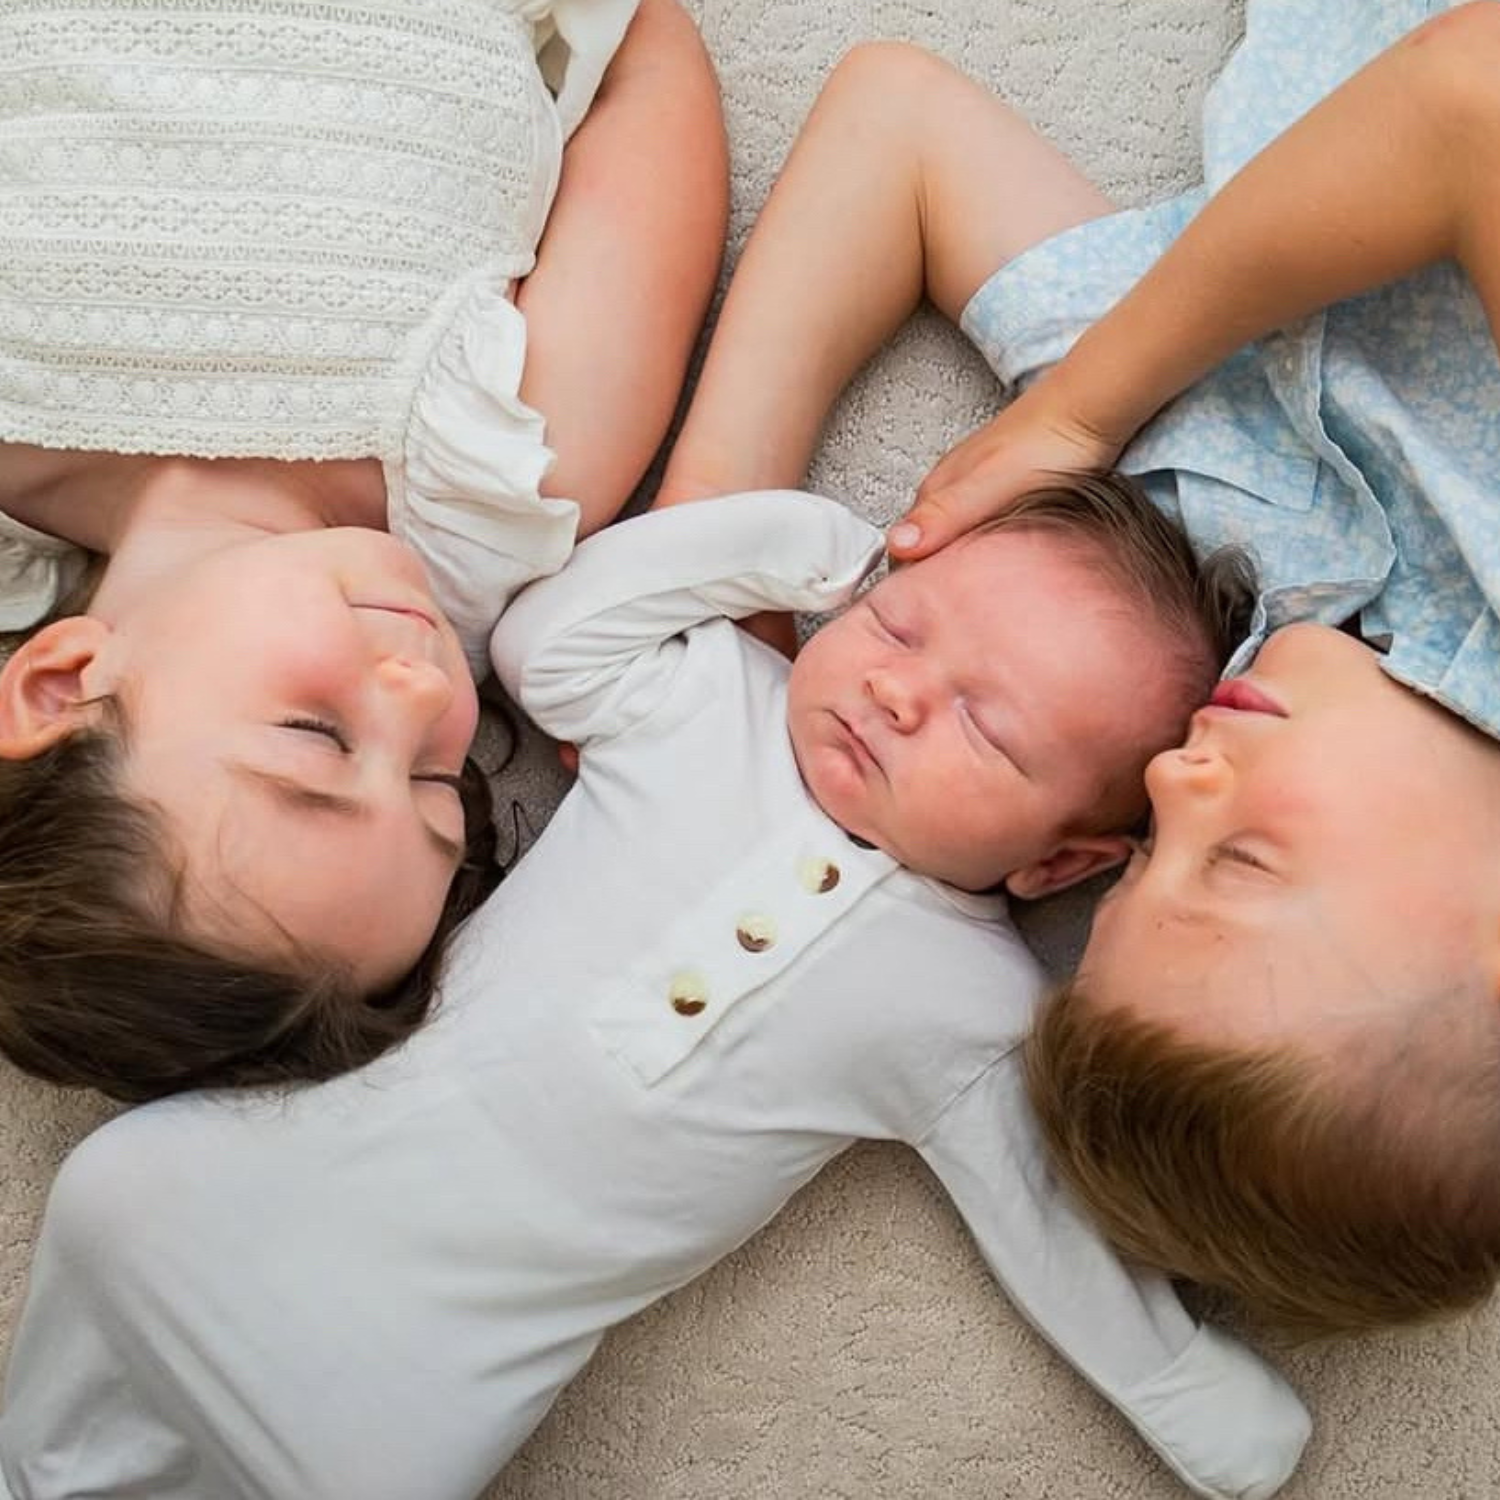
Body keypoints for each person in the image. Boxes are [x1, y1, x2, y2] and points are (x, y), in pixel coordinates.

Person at [0, 43, 1318, 1498]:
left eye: (990, 736)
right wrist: (803, 548)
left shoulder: (975, 1010)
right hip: (201, 1209)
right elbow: (554, 638)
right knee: (113, 1250)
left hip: (429, 1381)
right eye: (899, 622)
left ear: (1059, 862)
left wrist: (1199, 1397)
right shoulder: (713, 698)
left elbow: (1044, 1217)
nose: (894, 688)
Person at [861, 0, 1500, 1334]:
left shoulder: (1235, 594)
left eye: (1151, 856)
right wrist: (1084, 408)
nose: (1170, 775)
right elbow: (1476, 93)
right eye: (1246, 860)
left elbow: (896, 119)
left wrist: (707, 558)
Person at [0, 0, 728, 1101]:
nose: (419, 692)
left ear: (61, 683)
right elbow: (642, 59)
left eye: (316, 736)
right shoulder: (506, 477)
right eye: (442, 779)